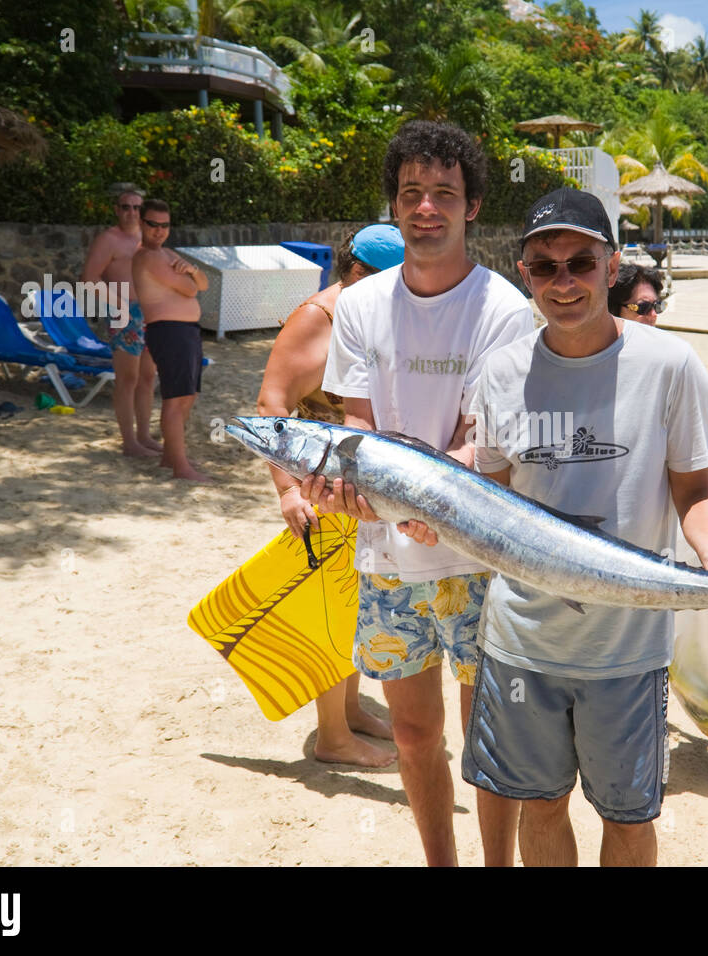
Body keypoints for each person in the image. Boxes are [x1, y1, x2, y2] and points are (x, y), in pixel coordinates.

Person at [458, 188, 708, 867]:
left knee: (627, 818)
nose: (563, 281)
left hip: (628, 651)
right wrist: (436, 521)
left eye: (581, 262)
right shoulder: (498, 371)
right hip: (521, 644)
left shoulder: (670, 366)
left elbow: (695, 491)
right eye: (544, 268)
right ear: (526, 275)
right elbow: (490, 497)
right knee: (540, 805)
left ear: (612, 267)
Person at [300, 121, 534, 866]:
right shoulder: (362, 307)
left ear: (472, 207)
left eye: (443, 193)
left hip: (477, 557)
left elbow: (485, 439)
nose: (426, 207)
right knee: (411, 734)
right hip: (388, 558)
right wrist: (352, 492)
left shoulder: (502, 308)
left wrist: (433, 501)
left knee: (488, 739)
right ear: (394, 208)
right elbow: (356, 429)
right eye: (411, 193)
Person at [256, 224, 405, 768]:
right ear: (359, 274)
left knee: (355, 604)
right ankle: (332, 738)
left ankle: (349, 712)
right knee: (333, 606)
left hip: (355, 483)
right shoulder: (318, 318)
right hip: (320, 485)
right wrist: (287, 491)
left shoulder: (365, 313)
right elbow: (271, 406)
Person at [131, 199, 211, 483]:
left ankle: (170, 456)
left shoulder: (167, 254)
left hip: (184, 331)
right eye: (153, 224)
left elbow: (203, 283)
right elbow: (191, 290)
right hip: (169, 330)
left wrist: (191, 272)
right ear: (142, 223)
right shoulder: (148, 256)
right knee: (176, 400)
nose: (159, 231)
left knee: (187, 396)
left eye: (164, 225)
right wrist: (190, 275)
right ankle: (181, 467)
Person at [81, 185, 160, 457]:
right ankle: (129, 443)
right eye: (126, 207)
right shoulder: (109, 239)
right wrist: (120, 305)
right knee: (128, 378)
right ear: (117, 210)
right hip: (123, 314)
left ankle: (144, 436)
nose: (131, 212)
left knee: (148, 377)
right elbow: (89, 279)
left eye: (137, 207)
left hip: (150, 312)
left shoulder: (147, 236)